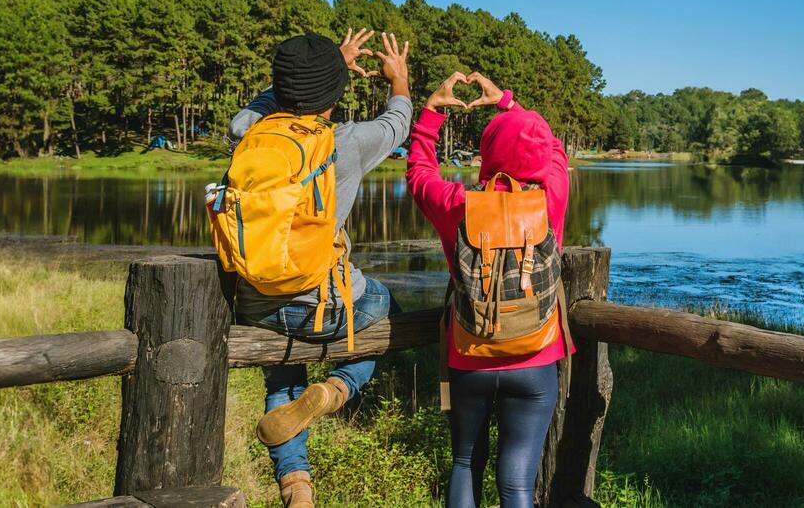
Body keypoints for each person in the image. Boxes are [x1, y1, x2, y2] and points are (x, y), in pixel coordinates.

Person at [225, 29, 412, 508]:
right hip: (323, 305)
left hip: (256, 303)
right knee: (390, 309)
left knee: (281, 381)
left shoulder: (247, 131)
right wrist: (399, 80)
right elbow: (397, 125)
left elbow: (257, 107)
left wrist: (319, 74)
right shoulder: (343, 142)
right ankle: (335, 389)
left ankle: (296, 489)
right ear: (335, 95)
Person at [407, 72, 572, 508]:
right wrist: (509, 105)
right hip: (536, 360)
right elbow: (554, 149)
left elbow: (420, 174)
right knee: (517, 486)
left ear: (487, 153)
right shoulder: (551, 198)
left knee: (465, 463)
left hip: (470, 356)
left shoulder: (460, 204)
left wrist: (431, 114)